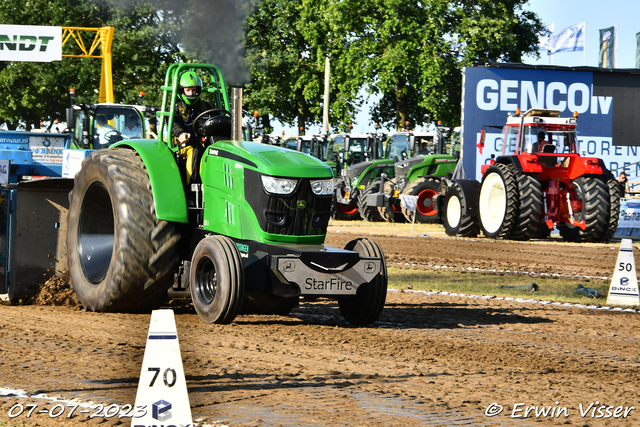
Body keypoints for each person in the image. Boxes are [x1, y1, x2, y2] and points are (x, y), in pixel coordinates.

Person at [171, 70, 213, 185]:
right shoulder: (176, 108)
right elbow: (173, 125)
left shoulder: (207, 106)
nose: (191, 93)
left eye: (194, 90)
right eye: (188, 90)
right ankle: (191, 186)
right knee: (195, 149)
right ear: (182, 90)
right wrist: (180, 134)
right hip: (184, 145)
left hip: (207, 143)